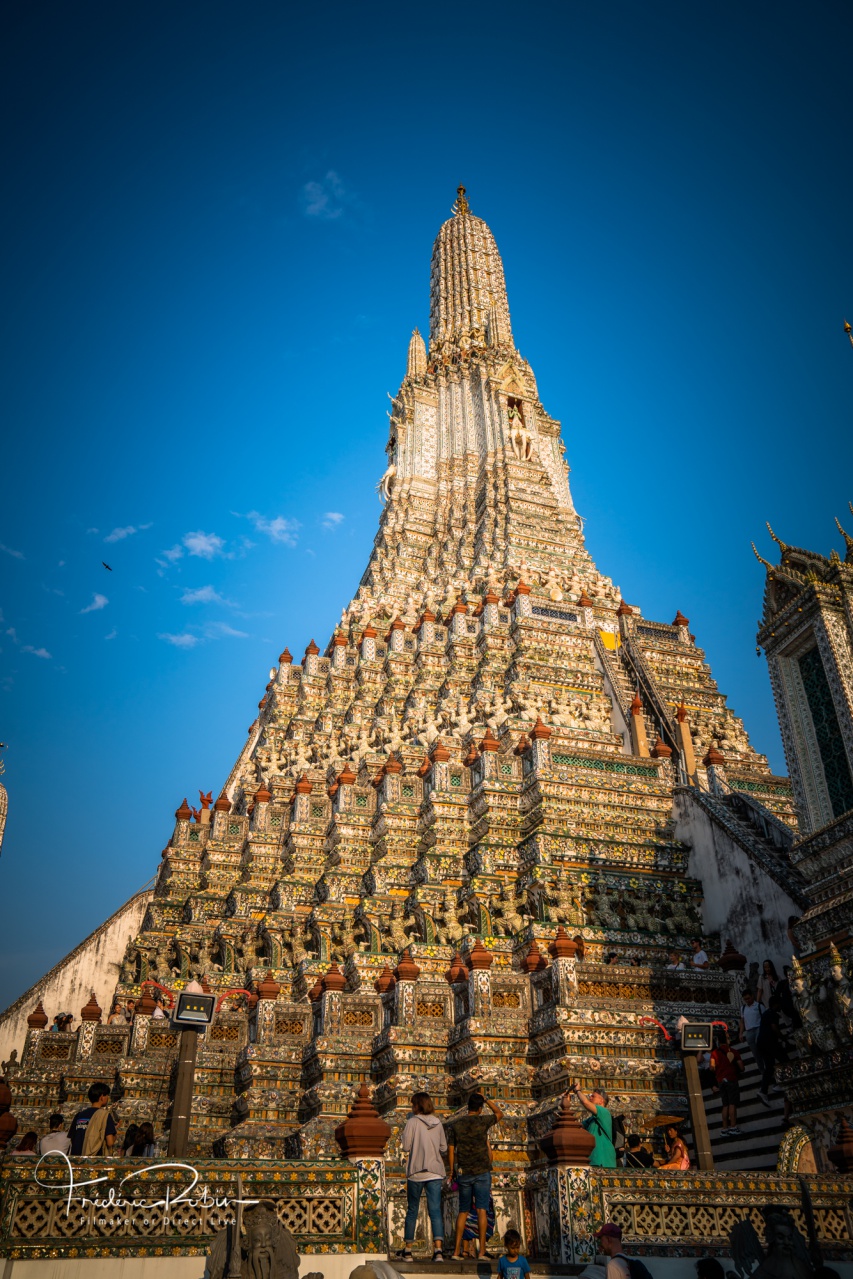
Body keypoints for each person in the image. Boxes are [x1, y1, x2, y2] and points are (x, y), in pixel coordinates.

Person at [447, 1091, 503, 1261]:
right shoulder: (482, 1121)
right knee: (481, 1210)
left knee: (463, 1211)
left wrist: (452, 1170)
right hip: (481, 1172)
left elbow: (451, 1149)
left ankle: (456, 1252)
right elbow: (499, 1114)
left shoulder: (456, 1125)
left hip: (464, 1172)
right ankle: (482, 1251)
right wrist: (487, 1099)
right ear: (479, 1108)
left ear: (467, 1107)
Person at [397, 1091, 447, 1262]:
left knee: (412, 1210)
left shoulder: (412, 1122)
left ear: (417, 1105)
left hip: (417, 1171)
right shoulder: (438, 1123)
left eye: (413, 1104)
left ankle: (408, 1250)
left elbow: (405, 1146)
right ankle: (438, 1250)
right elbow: (444, 1148)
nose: (412, 1107)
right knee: (435, 1211)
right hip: (435, 1171)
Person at [570, 1083, 617, 1167]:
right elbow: (577, 1128)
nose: (590, 1098)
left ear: (601, 1101)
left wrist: (578, 1091)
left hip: (603, 1160)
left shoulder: (604, 1112)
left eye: (593, 1096)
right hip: (593, 1159)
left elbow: (585, 1102)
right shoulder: (592, 1119)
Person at [68, 1081, 117, 1155]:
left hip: (76, 1159)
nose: (108, 1098)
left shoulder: (79, 1115)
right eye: (107, 1095)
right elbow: (110, 1142)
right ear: (102, 1097)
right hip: (94, 1160)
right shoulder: (104, 1115)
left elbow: (72, 1139)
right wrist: (115, 1132)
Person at [710, 1035, 744, 1135]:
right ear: (727, 1040)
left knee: (725, 1104)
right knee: (732, 1103)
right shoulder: (733, 1051)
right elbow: (741, 1067)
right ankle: (733, 1126)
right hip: (731, 1078)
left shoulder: (714, 1053)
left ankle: (724, 1128)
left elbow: (711, 1068)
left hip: (720, 1080)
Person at [756, 994, 785, 1107]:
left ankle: (763, 1091)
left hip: (762, 1043)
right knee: (784, 1060)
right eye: (779, 1004)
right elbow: (774, 1028)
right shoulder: (773, 1014)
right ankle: (781, 1081)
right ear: (775, 1004)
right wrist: (783, 1038)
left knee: (769, 1067)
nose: (780, 1006)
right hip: (769, 1043)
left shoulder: (766, 1014)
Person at [738, 990, 766, 1074]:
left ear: (752, 996)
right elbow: (742, 1021)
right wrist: (741, 1033)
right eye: (745, 999)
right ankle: (762, 1071)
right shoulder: (743, 1008)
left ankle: (767, 1067)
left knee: (761, 1048)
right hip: (749, 1031)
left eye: (748, 998)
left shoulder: (759, 1006)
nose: (747, 1000)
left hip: (758, 1028)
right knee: (755, 1053)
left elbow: (764, 1019)